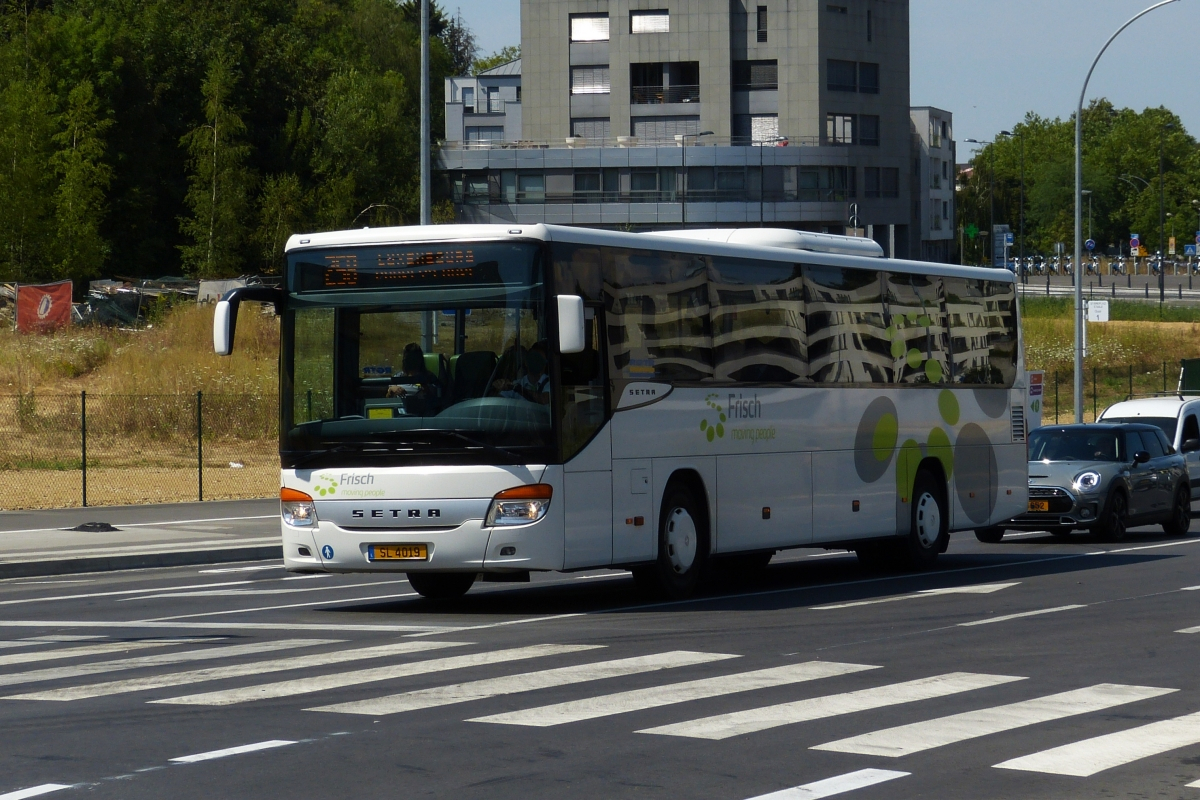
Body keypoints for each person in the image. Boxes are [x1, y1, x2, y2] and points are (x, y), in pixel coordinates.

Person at [386, 343, 442, 415]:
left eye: (411, 358)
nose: (407, 361)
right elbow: (387, 399)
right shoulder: (398, 376)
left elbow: (438, 400)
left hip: (421, 417)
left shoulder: (429, 377)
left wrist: (426, 390)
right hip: (400, 416)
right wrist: (392, 389)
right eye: (406, 358)